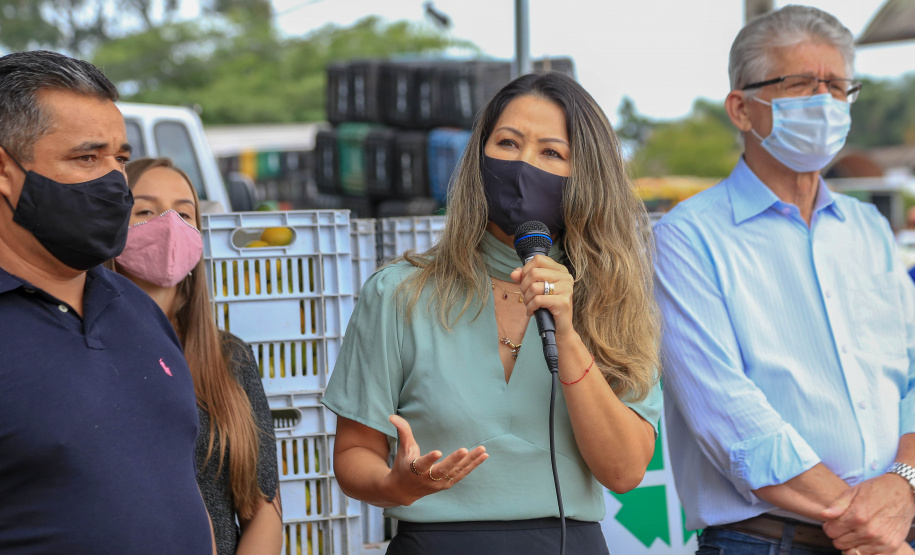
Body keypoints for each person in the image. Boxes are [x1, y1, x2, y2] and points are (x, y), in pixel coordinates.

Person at [322, 71, 662, 554]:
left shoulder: (614, 301)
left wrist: (565, 333)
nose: (524, 165)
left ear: (585, 175)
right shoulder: (400, 292)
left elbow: (625, 471)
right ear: (478, 158)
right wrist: (396, 485)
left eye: (551, 152)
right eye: (507, 143)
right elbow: (355, 453)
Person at [653, 6, 915, 555]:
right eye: (800, 83)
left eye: (838, 85)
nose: (824, 101)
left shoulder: (867, 229)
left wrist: (902, 485)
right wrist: (869, 524)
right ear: (742, 109)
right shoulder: (687, 238)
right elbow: (728, 415)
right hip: (771, 542)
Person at [0, 51, 213, 553]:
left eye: (119, 158)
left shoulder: (137, 311)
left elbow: (178, 486)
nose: (115, 183)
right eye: (86, 158)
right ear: (4, 172)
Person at [106, 157, 283, 555]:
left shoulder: (228, 357)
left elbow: (263, 507)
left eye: (185, 214)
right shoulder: (84, 348)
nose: (169, 225)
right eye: (146, 211)